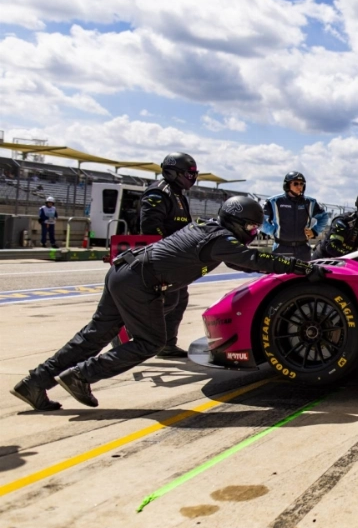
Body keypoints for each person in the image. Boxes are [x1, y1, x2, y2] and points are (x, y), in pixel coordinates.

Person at [9, 196, 327, 411]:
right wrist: (299, 266)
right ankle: (82, 375)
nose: (253, 232)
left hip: (125, 272)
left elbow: (242, 264)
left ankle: (34, 383)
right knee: (151, 341)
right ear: (237, 221)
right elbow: (252, 258)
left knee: (95, 335)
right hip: (139, 281)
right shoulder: (222, 239)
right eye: (251, 227)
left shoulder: (211, 231)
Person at [139, 152, 198, 358]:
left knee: (180, 300)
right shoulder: (159, 193)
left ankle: (166, 344)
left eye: (193, 174)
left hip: (177, 257)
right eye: (188, 173)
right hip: (163, 257)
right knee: (170, 300)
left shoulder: (178, 193)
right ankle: (133, 330)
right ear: (173, 172)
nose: (192, 177)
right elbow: (150, 227)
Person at [261, 171, 331, 262]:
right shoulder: (274, 201)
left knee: (304, 275)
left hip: (303, 249)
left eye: (301, 184)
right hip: (281, 248)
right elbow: (259, 218)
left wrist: (315, 231)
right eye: (296, 183)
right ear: (287, 185)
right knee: (281, 275)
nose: (299, 186)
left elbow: (324, 216)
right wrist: (272, 230)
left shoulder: (310, 202)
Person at [314, 189, 358, 259]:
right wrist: (354, 256)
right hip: (322, 259)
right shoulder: (344, 222)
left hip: (344, 262)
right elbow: (331, 246)